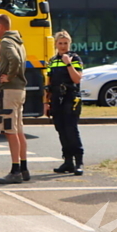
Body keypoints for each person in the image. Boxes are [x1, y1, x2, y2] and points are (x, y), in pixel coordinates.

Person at [0, 14, 29, 184]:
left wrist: (9, 76)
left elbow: (15, 59)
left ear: (0, 26)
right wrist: (0, 53)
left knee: (9, 130)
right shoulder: (17, 41)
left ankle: (15, 171)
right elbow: (13, 58)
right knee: (18, 129)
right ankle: (23, 167)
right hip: (20, 90)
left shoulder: (7, 42)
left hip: (10, 90)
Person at [46, 30, 84, 175]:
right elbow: (48, 82)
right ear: (56, 44)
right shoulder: (52, 60)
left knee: (71, 129)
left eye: (65, 43)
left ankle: (79, 162)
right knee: (60, 129)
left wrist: (68, 64)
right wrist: (46, 102)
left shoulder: (75, 58)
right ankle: (68, 162)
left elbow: (77, 79)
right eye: (60, 43)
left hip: (71, 96)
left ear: (70, 44)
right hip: (56, 97)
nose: (63, 46)